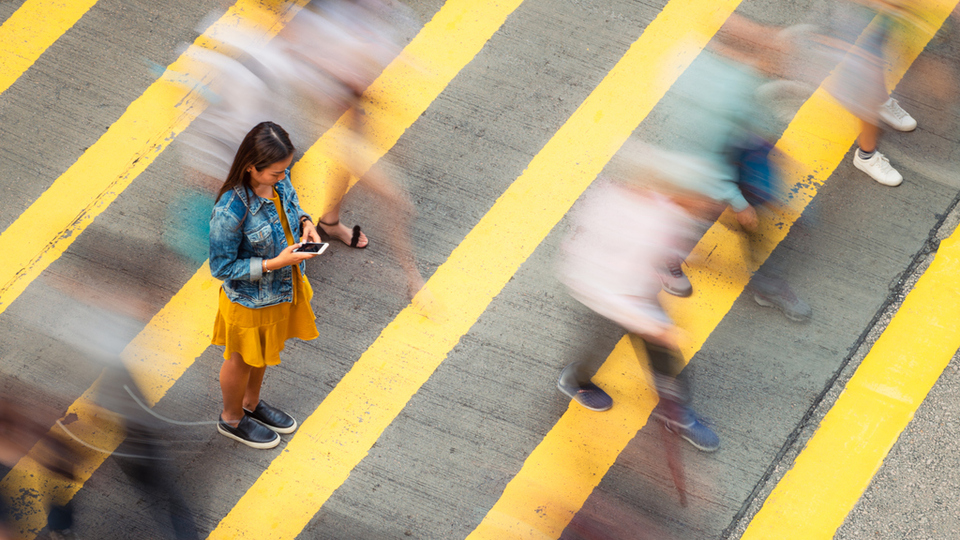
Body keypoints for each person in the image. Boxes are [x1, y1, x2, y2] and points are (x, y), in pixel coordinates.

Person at [209, 121, 323, 449]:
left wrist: (306, 223)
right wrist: (275, 263)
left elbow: (293, 207)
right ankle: (231, 419)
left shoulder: (280, 182)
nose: (283, 177)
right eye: (276, 172)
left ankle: (251, 403)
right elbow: (221, 266)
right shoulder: (230, 211)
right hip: (249, 300)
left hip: (281, 289)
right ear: (251, 169)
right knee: (241, 359)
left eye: (285, 170)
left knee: (261, 353)